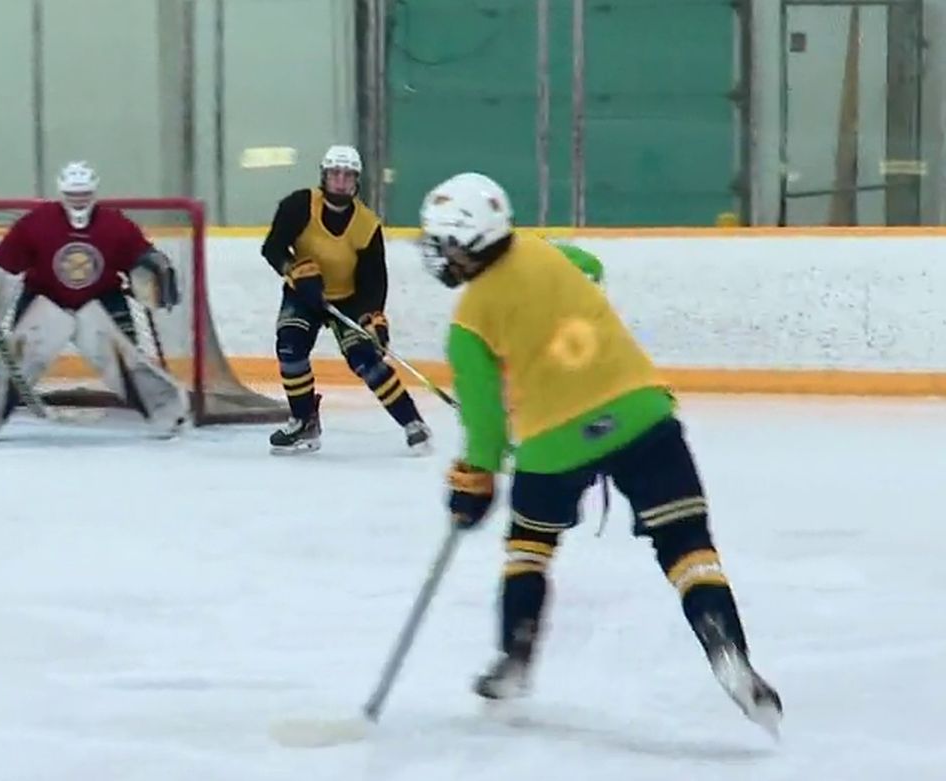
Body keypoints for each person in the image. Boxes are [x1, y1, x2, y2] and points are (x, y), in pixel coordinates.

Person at [419, 172, 782, 736]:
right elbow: (591, 266)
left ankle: (514, 663)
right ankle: (730, 656)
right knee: (688, 547)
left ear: (471, 242)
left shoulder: (469, 323)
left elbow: (485, 428)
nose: (440, 256)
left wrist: (473, 482)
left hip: (553, 443)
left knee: (529, 547)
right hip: (643, 415)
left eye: (445, 243)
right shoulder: (547, 253)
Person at [0, 161, 186, 440]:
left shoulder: (116, 224)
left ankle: (167, 412)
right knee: (17, 360)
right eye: (73, 194)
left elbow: (141, 255)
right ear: (62, 192)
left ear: (94, 192)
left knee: (127, 359)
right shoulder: (36, 223)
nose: (79, 201)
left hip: (102, 299)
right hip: (45, 299)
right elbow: (3, 262)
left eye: (84, 194)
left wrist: (153, 267)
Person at [260, 144, 430, 455]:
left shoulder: (366, 225)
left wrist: (373, 316)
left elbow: (374, 279)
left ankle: (413, 423)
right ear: (324, 176)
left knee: (366, 360)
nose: (340, 181)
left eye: (347, 175)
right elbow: (272, 247)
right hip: (303, 293)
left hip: (349, 300)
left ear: (356, 181)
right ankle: (303, 421)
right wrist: (294, 269)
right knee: (290, 346)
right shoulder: (299, 205)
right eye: (334, 174)